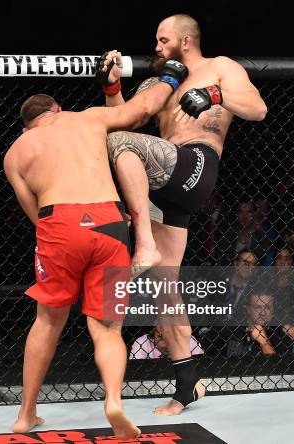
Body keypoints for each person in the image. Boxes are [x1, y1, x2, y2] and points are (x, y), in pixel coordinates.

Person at [4, 60, 188, 438]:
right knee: (107, 328)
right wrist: (171, 76)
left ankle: (26, 414)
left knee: (48, 321)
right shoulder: (85, 119)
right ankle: (114, 401)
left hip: (58, 222)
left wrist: (64, 237)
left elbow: (34, 215)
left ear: (27, 125)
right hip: (108, 221)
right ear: (56, 109)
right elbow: (141, 109)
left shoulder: (16, 152)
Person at [97, 13, 267, 415]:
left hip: (196, 165)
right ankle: (188, 385)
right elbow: (124, 119)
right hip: (162, 180)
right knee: (163, 287)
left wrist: (216, 96)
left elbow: (258, 109)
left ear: (185, 41)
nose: (155, 47)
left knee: (123, 143)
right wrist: (112, 86)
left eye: (162, 39)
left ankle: (142, 239)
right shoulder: (160, 82)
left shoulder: (219, 68)